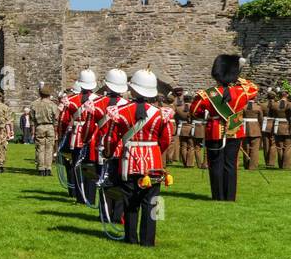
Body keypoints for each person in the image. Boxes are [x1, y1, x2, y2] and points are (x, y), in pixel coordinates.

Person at [100, 69, 175, 247]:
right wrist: (155, 152)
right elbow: (166, 140)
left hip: (129, 161)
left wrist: (109, 153)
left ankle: (131, 238)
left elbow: (111, 138)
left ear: (133, 90)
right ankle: (148, 240)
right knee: (151, 203)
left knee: (130, 202)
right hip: (153, 163)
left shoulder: (120, 112)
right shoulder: (160, 114)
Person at [187, 54, 257, 200]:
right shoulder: (242, 92)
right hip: (235, 129)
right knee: (231, 164)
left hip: (214, 130)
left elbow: (194, 112)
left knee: (216, 163)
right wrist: (236, 77)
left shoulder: (207, 94)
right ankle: (230, 196)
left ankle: (218, 196)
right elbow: (253, 88)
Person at [59, 69, 98, 202]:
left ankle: (79, 196)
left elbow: (63, 121)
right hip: (93, 135)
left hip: (76, 137)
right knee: (91, 166)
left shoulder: (70, 100)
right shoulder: (98, 100)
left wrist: (62, 136)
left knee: (77, 165)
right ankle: (91, 196)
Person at [30, 84, 59, 176]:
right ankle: (48, 168)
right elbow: (56, 118)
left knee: (40, 148)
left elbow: (32, 119)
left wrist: (32, 131)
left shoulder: (34, 104)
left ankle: (41, 167)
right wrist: (56, 129)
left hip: (39, 126)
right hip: (50, 127)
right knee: (49, 148)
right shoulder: (53, 105)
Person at [240, 94, 262, 171]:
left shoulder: (243, 107)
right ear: (255, 98)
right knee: (254, 149)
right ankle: (253, 166)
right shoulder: (258, 107)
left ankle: (246, 164)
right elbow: (261, 119)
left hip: (245, 129)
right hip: (255, 129)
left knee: (246, 147)